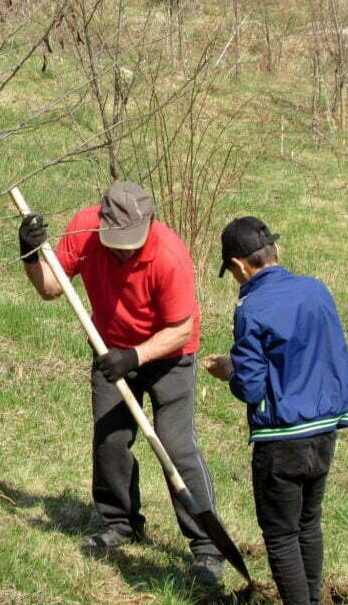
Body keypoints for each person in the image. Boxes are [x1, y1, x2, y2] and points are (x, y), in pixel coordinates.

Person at [18, 181, 224, 584]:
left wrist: (134, 356)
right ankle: (120, 523)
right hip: (109, 348)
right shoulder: (83, 229)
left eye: (131, 241)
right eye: (116, 240)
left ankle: (207, 547)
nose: (124, 248)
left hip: (169, 357)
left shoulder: (169, 255)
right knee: (110, 440)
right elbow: (51, 288)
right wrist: (29, 253)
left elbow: (181, 330)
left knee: (176, 446)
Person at [203, 217, 348, 605]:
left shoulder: (252, 308)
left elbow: (251, 386)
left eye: (230, 272)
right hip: (324, 430)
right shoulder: (317, 290)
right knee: (309, 523)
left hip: (281, 437)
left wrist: (228, 371)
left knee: (281, 533)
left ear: (238, 265)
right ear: (274, 253)